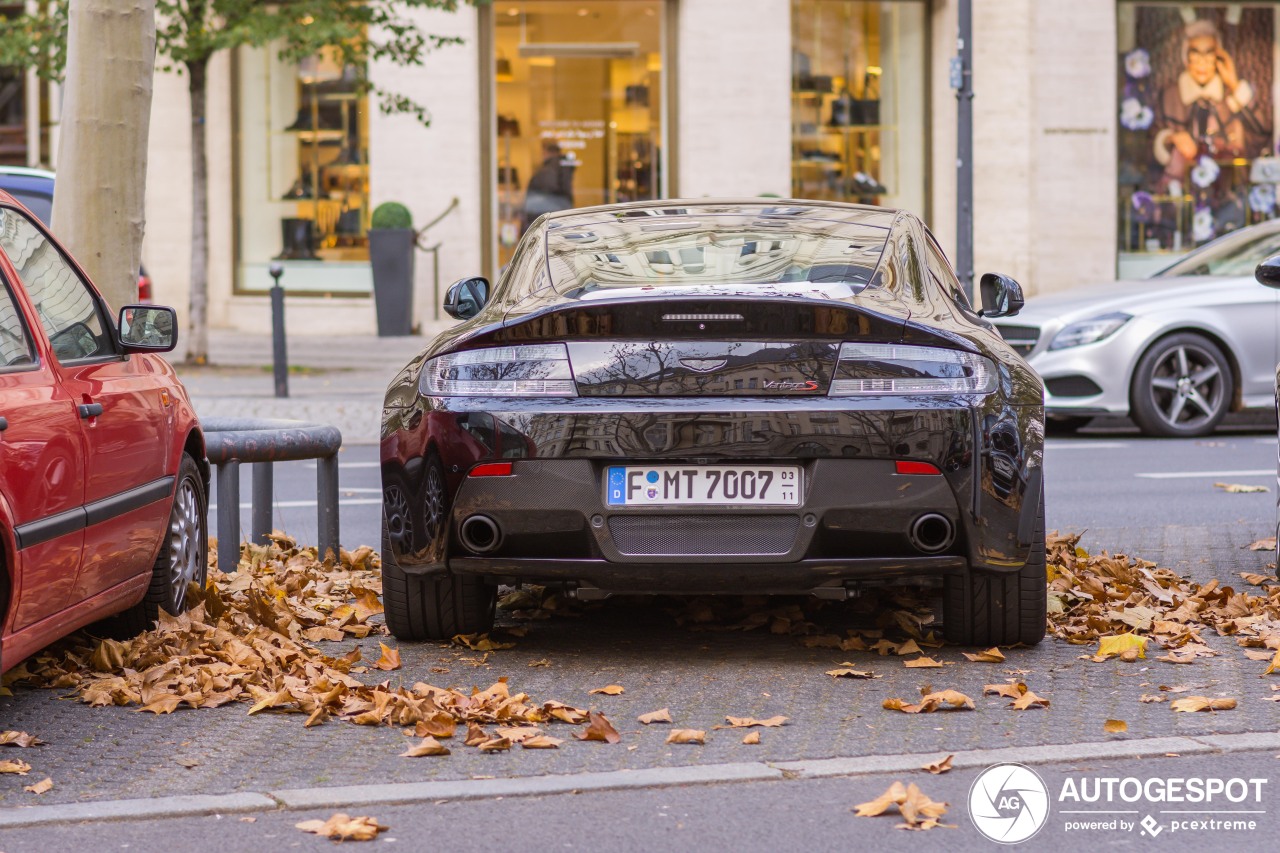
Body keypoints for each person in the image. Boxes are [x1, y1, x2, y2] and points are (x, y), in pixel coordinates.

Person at [1153, 19, 1254, 185]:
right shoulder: (1170, 96)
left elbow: (1259, 133)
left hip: (1226, 188)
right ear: (1186, 57)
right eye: (1195, 53)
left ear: (1218, 58)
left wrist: (1235, 85)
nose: (1202, 62)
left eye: (1209, 53)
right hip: (1182, 188)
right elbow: (1148, 143)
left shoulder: (1230, 96)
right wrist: (1170, 139)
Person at [523, 140, 576, 229]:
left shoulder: (545, 171)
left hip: (545, 221)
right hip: (557, 220)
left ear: (545, 152)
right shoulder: (562, 168)